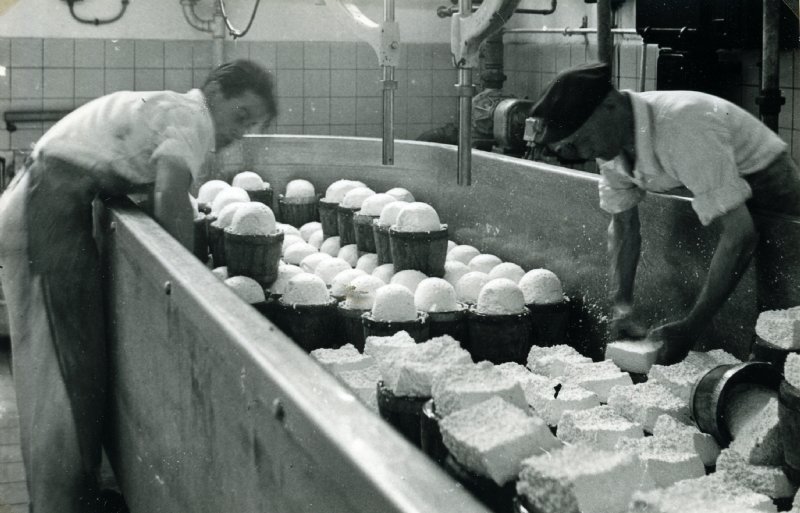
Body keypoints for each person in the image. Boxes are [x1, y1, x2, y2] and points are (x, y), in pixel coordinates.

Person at [0, 59, 276, 513]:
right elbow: (170, 192)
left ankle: (74, 494)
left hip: (45, 204)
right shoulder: (193, 118)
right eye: (240, 116)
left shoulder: (171, 109)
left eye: (250, 128)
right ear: (216, 92)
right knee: (60, 370)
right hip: (43, 210)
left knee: (70, 363)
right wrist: (192, 284)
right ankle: (59, 506)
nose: (236, 132)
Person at [528, 62, 800, 365]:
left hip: (770, 187)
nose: (584, 151)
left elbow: (740, 235)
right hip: (715, 185)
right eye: (573, 146)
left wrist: (691, 327)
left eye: (583, 139)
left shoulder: (681, 125)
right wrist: (621, 307)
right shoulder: (611, 143)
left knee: (781, 317)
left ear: (610, 106)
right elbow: (623, 226)